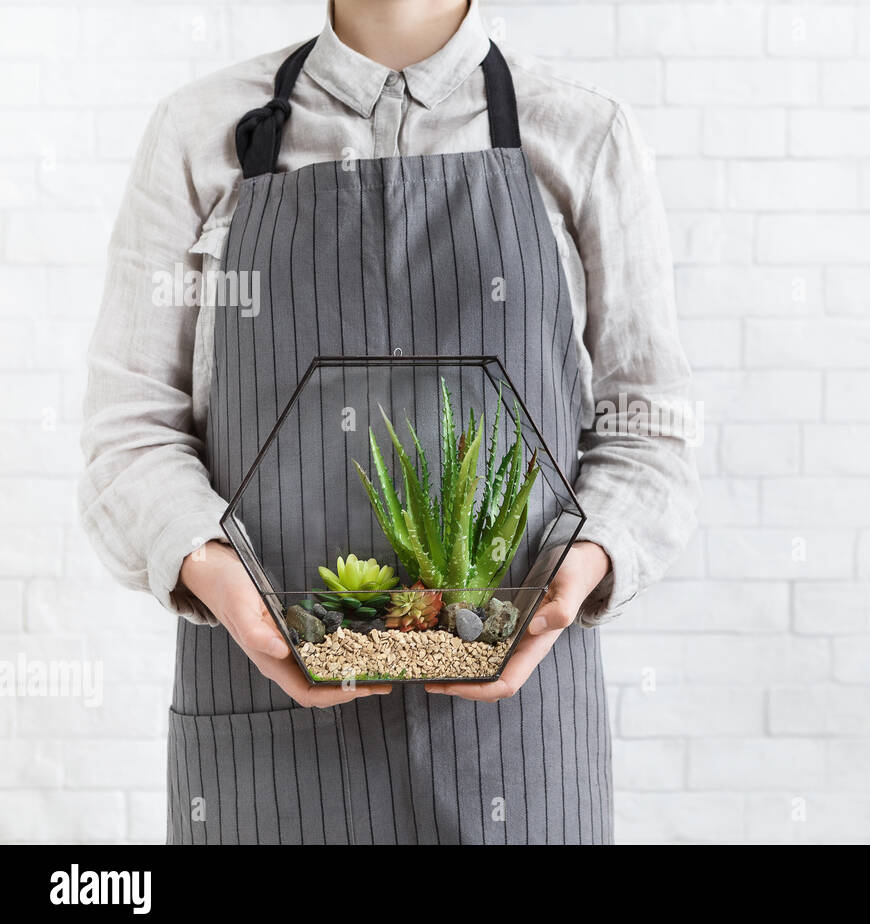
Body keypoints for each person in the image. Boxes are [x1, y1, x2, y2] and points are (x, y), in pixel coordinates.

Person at [78, 0, 698, 844]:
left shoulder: (584, 135)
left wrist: (579, 571)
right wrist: (220, 577)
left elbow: (647, 427)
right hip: (263, 738)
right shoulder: (201, 134)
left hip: (517, 746)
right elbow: (131, 429)